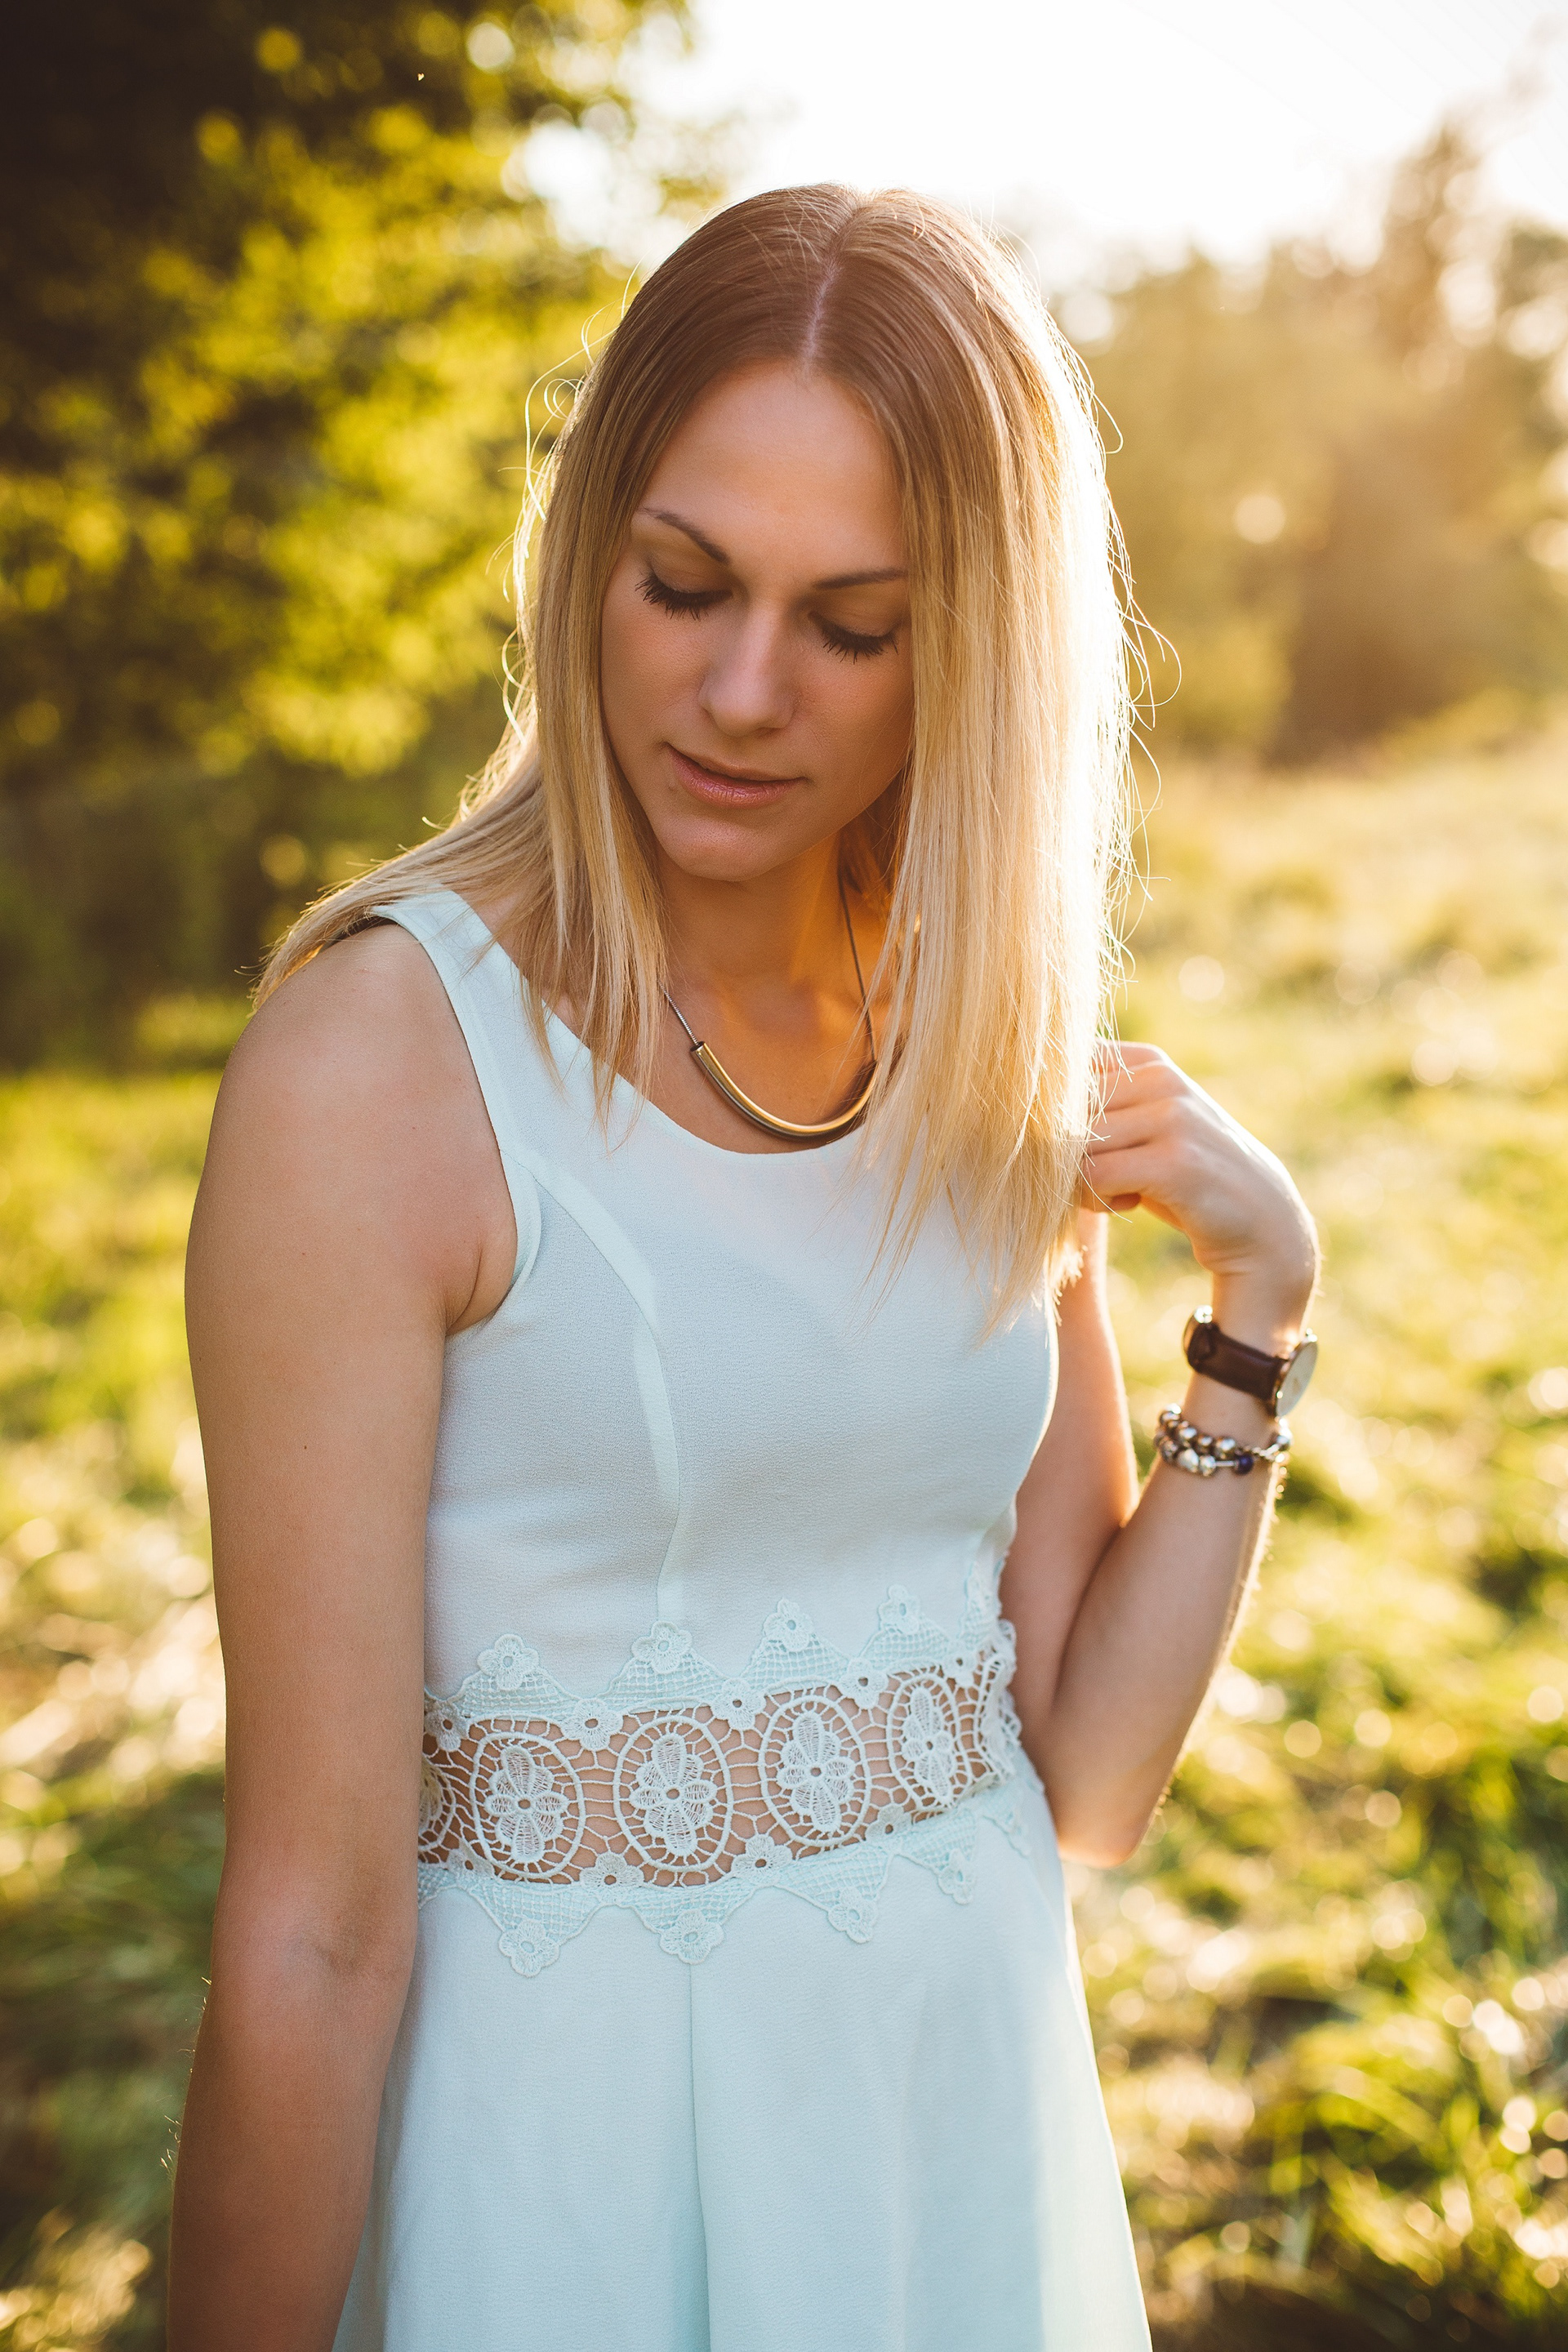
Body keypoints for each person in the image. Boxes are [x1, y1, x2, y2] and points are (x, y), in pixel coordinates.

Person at [167, 184, 1317, 2351]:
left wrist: (1259, 1317)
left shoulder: (975, 1030)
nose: (742, 689)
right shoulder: (380, 1066)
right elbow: (312, 1935)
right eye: (683, 583)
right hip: (566, 2175)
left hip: (948, 2141)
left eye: (853, 625)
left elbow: (1087, 1774)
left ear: (973, 647)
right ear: (585, 550)